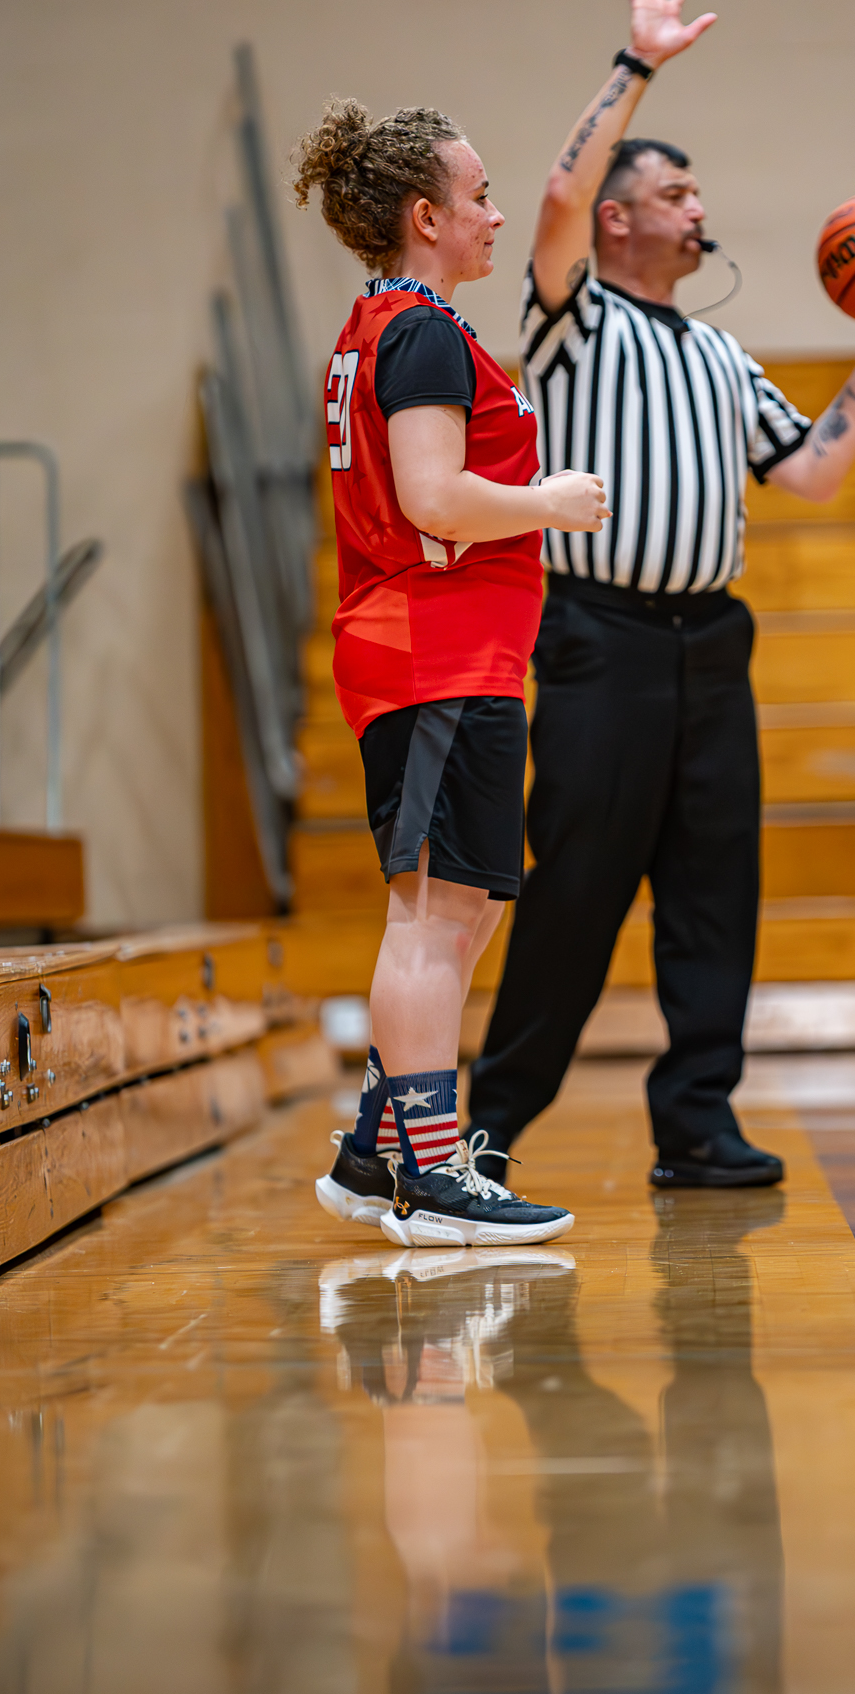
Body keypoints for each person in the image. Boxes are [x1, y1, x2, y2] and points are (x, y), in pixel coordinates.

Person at [467, 0, 855, 1189]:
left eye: (695, 189)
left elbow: (811, 471)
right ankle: (490, 1123)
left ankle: (697, 1121)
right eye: (675, 190)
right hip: (599, 636)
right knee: (577, 888)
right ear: (621, 220)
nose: (697, 204)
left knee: (717, 889)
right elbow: (557, 192)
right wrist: (638, 63)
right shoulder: (572, 317)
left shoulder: (723, 355)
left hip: (713, 644)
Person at [294, 97, 608, 1244]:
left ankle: (375, 1152)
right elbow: (433, 496)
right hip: (429, 654)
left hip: (451, 656)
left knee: (460, 913)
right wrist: (549, 501)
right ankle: (431, 1175)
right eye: (478, 195)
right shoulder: (419, 332)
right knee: (432, 918)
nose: (495, 214)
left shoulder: (390, 324)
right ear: (425, 216)